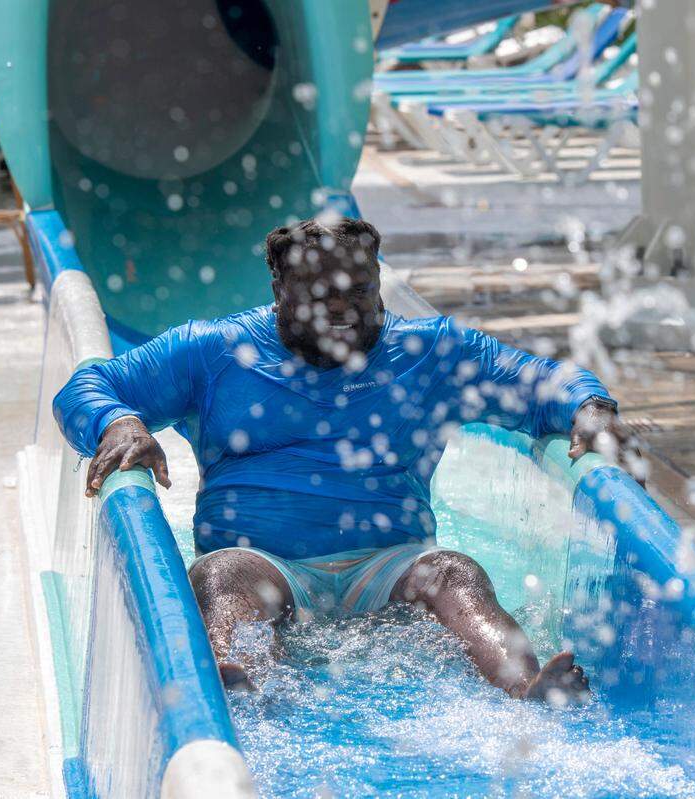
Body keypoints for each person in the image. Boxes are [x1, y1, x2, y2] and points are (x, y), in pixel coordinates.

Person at [53, 217, 637, 704]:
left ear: (379, 281)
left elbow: (537, 380)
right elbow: (87, 387)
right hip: (263, 562)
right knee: (221, 576)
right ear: (279, 288)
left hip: (390, 562)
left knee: (454, 571)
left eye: (359, 290)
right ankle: (241, 686)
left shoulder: (429, 352)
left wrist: (589, 406)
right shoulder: (213, 351)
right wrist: (120, 422)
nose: (344, 309)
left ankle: (524, 685)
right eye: (319, 293)